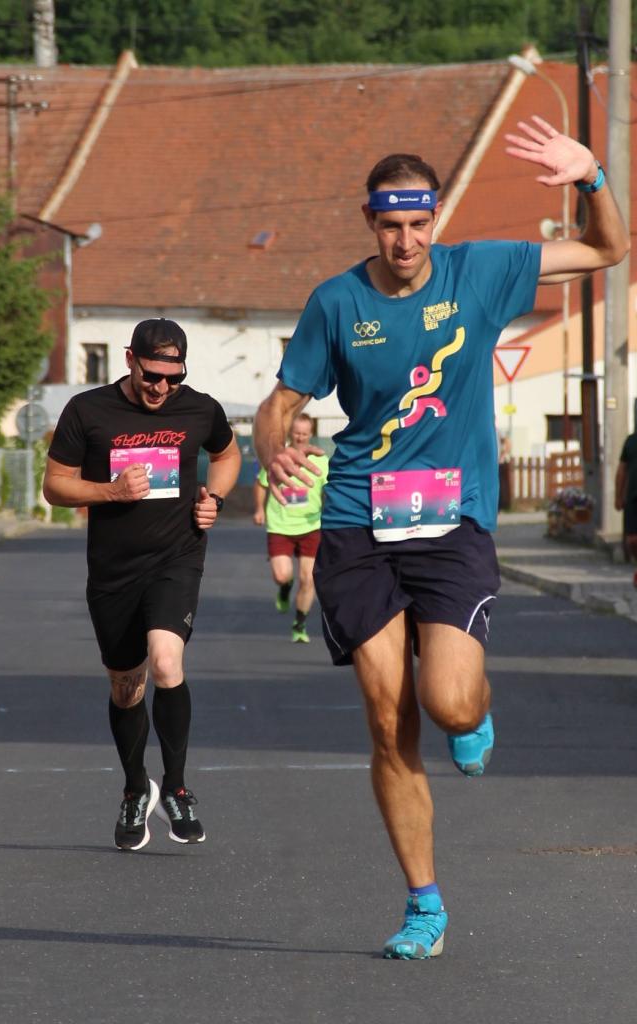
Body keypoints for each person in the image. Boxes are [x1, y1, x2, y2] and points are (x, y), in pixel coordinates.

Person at [253, 116, 628, 959]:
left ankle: (473, 713)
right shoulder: (336, 302)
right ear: (370, 221)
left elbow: (609, 250)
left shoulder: (480, 271)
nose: (407, 241)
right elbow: (282, 403)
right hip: (357, 520)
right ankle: (424, 905)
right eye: (392, 226)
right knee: (389, 721)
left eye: (420, 224)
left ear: (436, 220)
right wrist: (271, 451)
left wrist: (591, 176)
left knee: (449, 700)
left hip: (452, 523)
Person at [43, 318, 242, 851]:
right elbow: (55, 485)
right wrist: (110, 491)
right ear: (130, 359)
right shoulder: (88, 410)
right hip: (114, 571)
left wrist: (215, 499)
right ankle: (136, 788)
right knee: (126, 686)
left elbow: (227, 454)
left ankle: (176, 786)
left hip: (177, 558)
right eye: (152, 375)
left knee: (166, 661)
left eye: (173, 378)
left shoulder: (199, 409)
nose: (161, 388)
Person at [252, 412, 329, 642]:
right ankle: (285, 587)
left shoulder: (321, 461)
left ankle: (299, 624)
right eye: (297, 433)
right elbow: (261, 484)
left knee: (309, 578)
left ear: (311, 433)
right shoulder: (279, 457)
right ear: (290, 433)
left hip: (311, 525)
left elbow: (331, 488)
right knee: (282, 575)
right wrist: (259, 509)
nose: (301, 437)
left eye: (305, 433)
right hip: (280, 525)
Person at [615, 427, 637, 586]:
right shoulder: (631, 441)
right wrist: (618, 496)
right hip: (633, 498)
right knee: (631, 540)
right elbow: (621, 470)